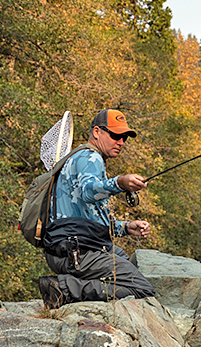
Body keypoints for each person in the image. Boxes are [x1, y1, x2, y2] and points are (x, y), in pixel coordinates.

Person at [38, 109, 155, 308]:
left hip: (61, 251)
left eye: (124, 137)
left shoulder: (76, 158)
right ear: (97, 132)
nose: (121, 142)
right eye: (116, 135)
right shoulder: (91, 158)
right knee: (143, 290)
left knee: (120, 256)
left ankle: (69, 288)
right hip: (76, 254)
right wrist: (120, 182)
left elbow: (89, 219)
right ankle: (64, 289)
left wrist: (126, 227)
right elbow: (88, 191)